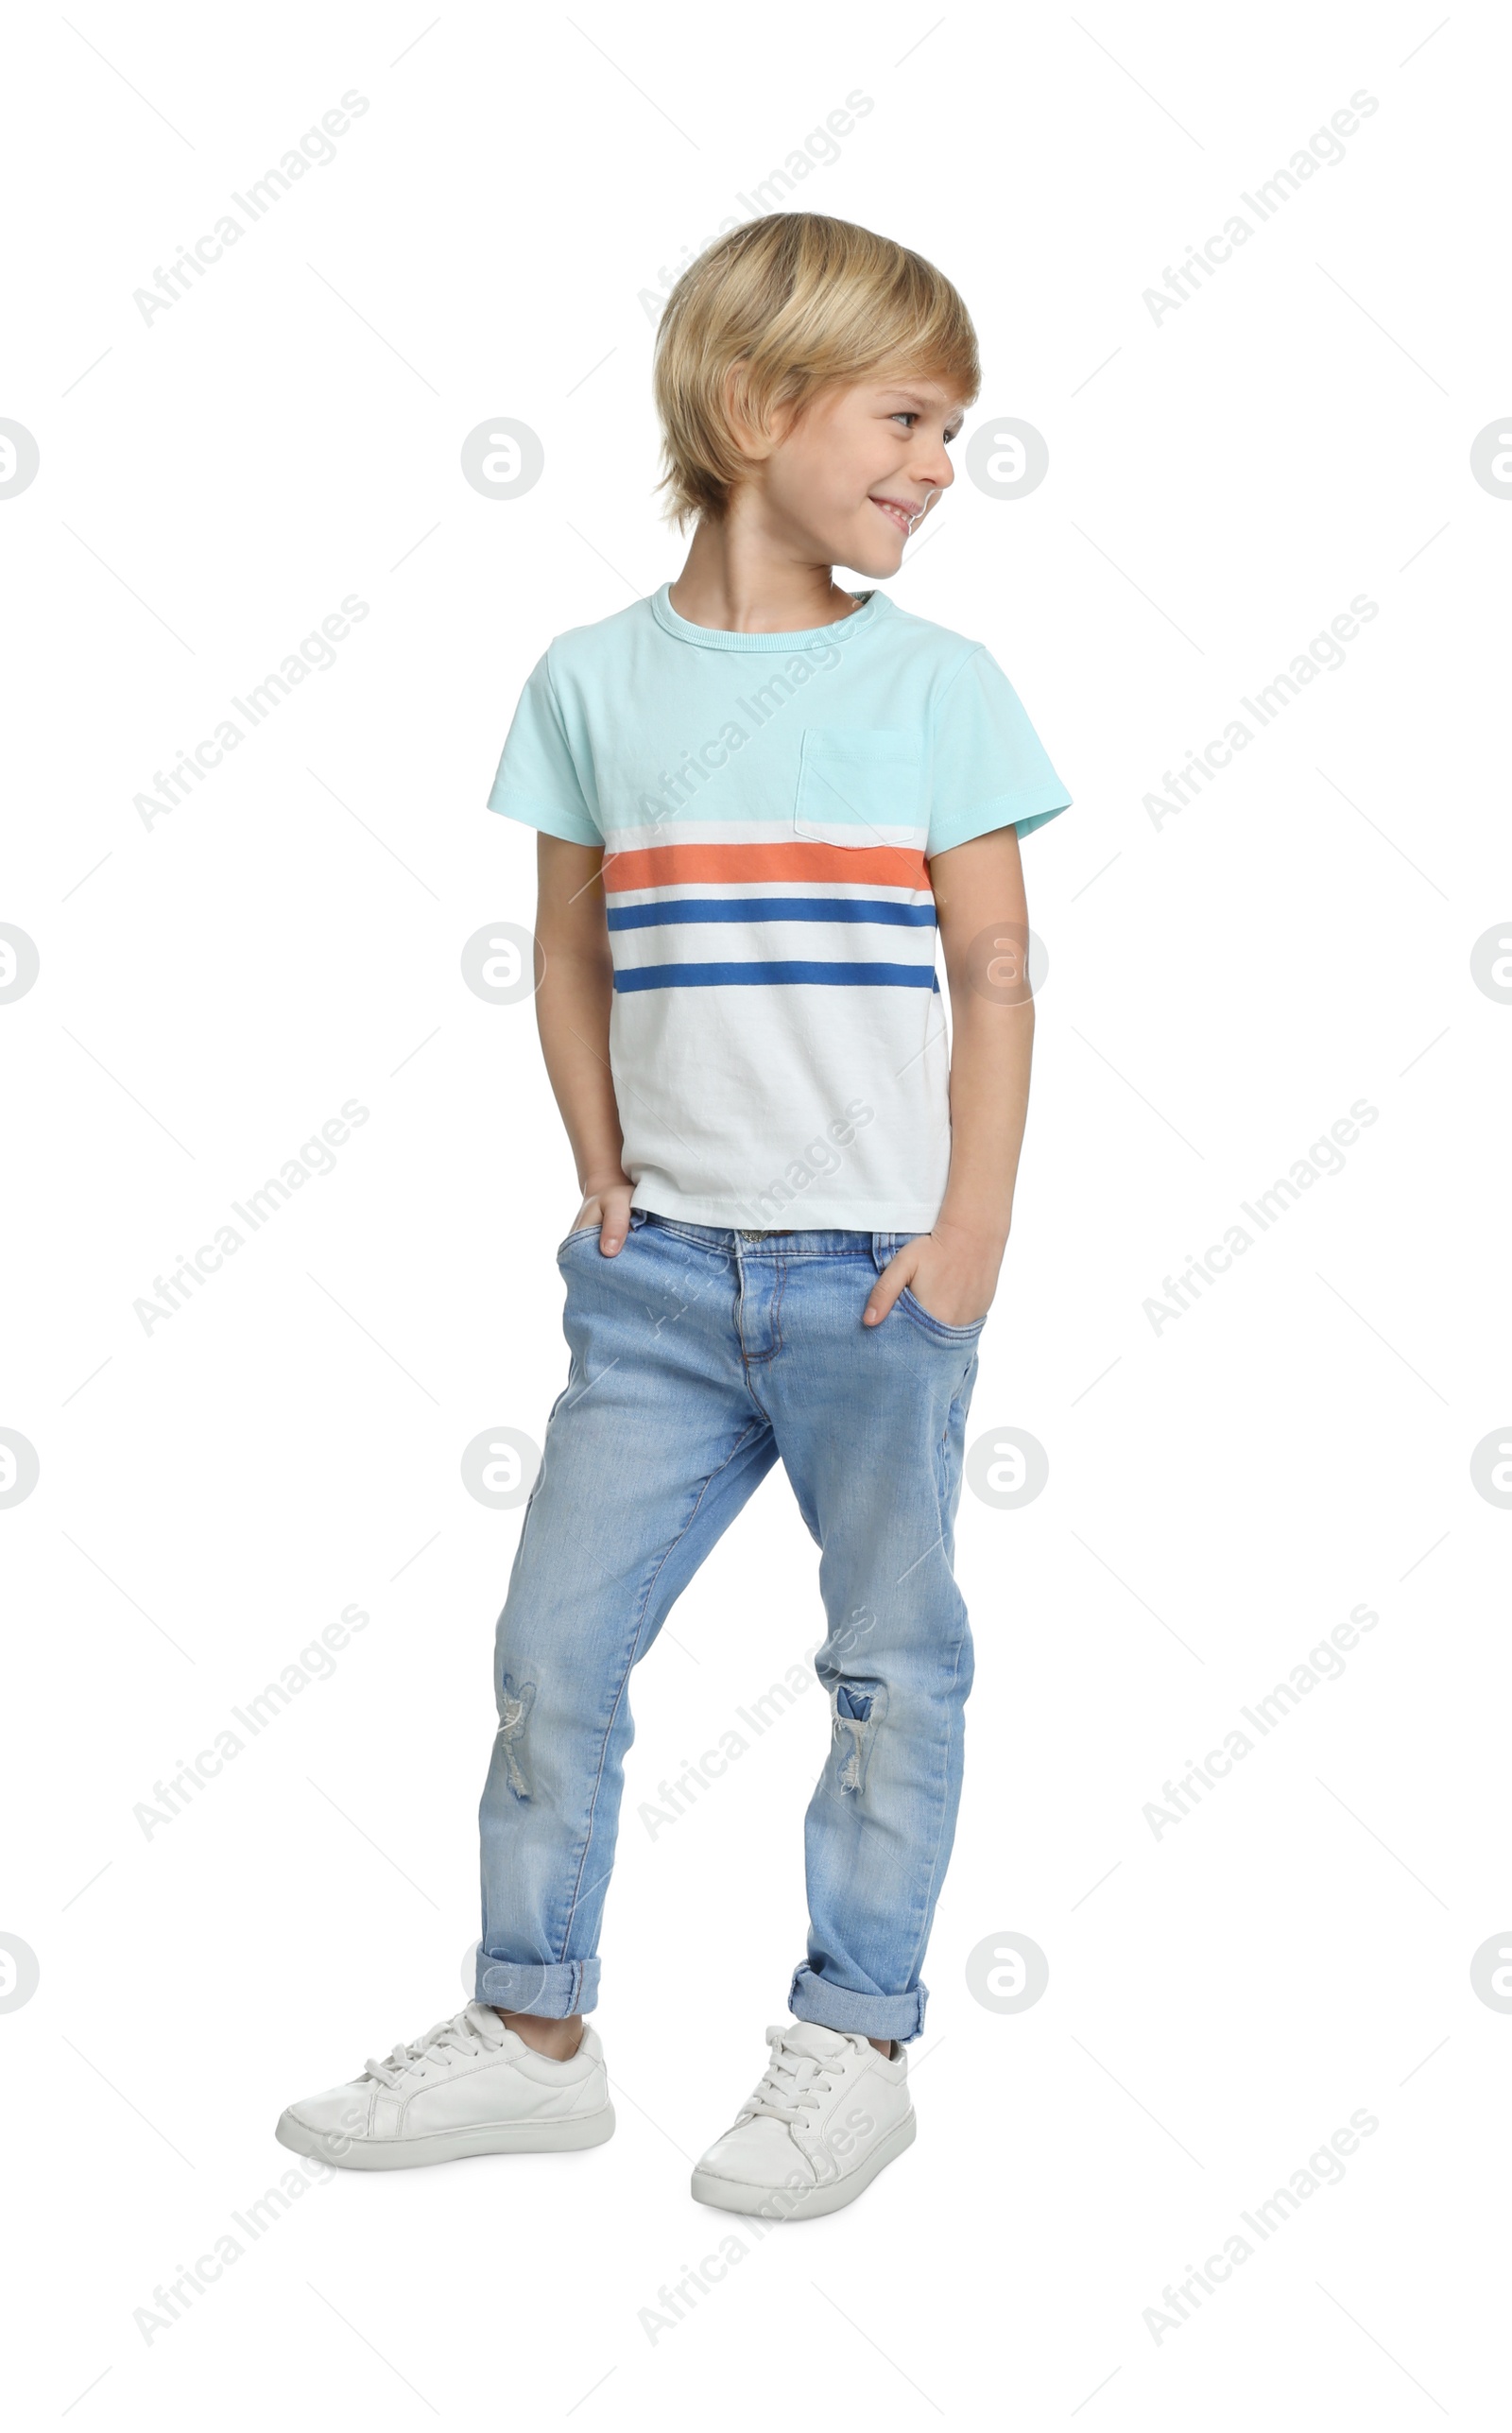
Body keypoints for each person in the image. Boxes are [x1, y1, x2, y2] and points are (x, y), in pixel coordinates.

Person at [276, 211, 1071, 2220]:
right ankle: (531, 2031)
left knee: (891, 1661)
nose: (933, 462)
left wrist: (966, 1228)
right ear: (752, 410)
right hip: (650, 1288)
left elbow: (993, 970)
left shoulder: (940, 689)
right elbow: (563, 944)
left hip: (870, 1278)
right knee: (552, 1650)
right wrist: (596, 1168)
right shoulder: (589, 681)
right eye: (904, 416)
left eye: (952, 428)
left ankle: (854, 2036)